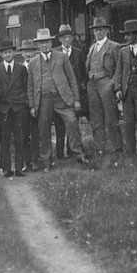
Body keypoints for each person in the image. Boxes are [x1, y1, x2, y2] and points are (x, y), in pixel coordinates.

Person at [27, 28, 88, 170]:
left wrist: (77, 99)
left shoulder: (62, 57)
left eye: (47, 42)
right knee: (44, 130)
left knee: (72, 121)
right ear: (38, 45)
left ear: (51, 42)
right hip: (43, 100)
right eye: (41, 43)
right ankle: (47, 161)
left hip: (62, 98)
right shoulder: (33, 62)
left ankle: (79, 155)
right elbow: (30, 87)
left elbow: (72, 80)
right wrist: (32, 106)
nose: (44, 45)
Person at [85, 17, 124, 154]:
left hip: (106, 83)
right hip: (92, 84)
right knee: (96, 118)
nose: (98, 32)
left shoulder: (114, 46)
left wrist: (113, 84)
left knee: (111, 116)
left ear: (107, 30)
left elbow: (119, 68)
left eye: (101, 29)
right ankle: (100, 148)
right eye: (96, 30)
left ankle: (117, 147)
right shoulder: (92, 48)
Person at [0, 39, 28, 177]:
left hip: (18, 108)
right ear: (1, 55)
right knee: (4, 139)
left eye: (10, 52)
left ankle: (19, 168)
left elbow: (25, 87)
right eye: (5, 52)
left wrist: (22, 102)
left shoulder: (21, 69)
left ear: (14, 53)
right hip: (3, 109)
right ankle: (6, 168)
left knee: (19, 138)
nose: (8, 54)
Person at [53, 24, 87, 159]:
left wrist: (78, 93)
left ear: (72, 38)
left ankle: (72, 152)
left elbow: (83, 74)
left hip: (74, 95)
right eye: (64, 37)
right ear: (60, 39)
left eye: (69, 37)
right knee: (59, 126)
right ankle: (60, 155)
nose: (67, 40)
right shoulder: (55, 52)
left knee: (73, 124)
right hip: (59, 96)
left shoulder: (78, 53)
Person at [114, 19, 137, 154]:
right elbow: (118, 71)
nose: (125, 37)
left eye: (128, 34)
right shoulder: (123, 51)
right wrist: (118, 89)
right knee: (128, 122)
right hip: (127, 91)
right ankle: (130, 151)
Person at [19, 39, 40, 171]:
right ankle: (27, 162)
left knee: (36, 133)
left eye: (30, 51)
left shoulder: (38, 66)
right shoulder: (20, 68)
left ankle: (36, 160)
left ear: (34, 52)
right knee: (25, 134)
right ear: (22, 54)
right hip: (24, 107)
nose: (28, 54)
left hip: (36, 104)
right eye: (26, 52)